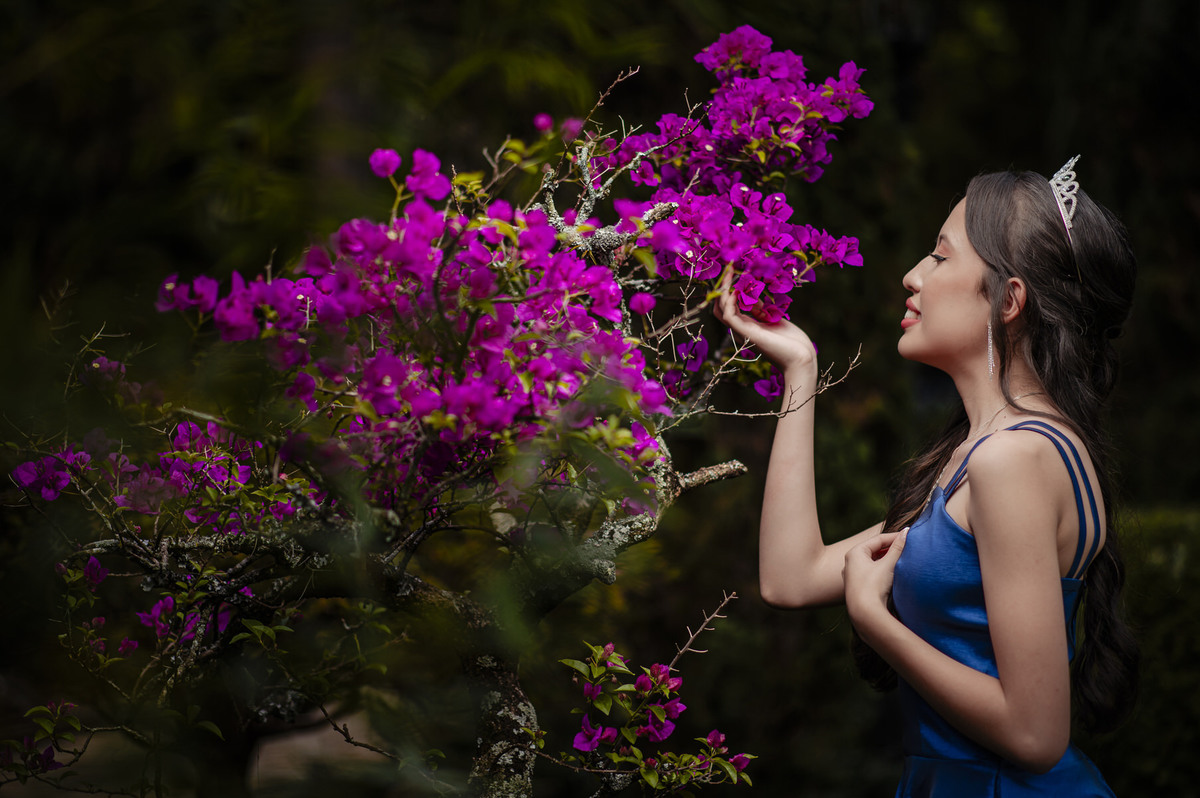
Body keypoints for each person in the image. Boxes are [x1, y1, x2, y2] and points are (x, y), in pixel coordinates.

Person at [715, 157, 1139, 796]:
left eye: (941, 258)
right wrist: (800, 371)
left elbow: (1035, 735)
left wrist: (872, 618)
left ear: (1009, 301)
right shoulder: (983, 452)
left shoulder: (1012, 461)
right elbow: (790, 577)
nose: (912, 275)